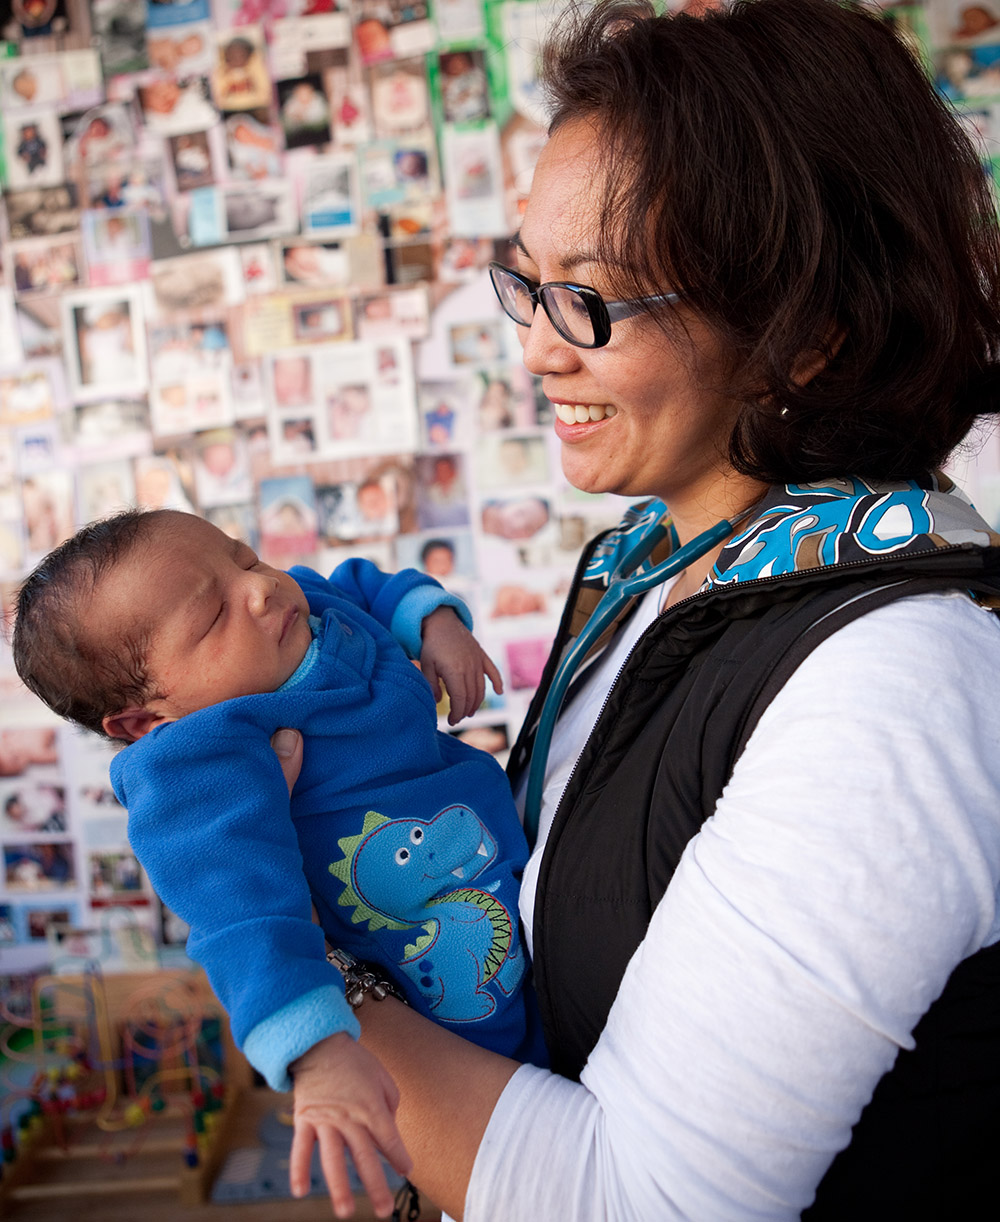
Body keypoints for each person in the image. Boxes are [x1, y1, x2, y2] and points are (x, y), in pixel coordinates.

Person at [266, 2, 1000, 1218]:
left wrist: (278, 952)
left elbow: (633, 1200)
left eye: (591, 301)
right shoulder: (652, 572)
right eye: (530, 282)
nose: (538, 353)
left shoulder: (899, 686)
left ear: (806, 332)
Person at [12, 508, 542, 1217]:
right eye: (211, 617)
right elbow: (244, 922)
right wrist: (317, 1057)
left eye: (244, 558)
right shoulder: (198, 762)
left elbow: (366, 581)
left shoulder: (305, 609)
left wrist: (436, 624)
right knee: (518, 1131)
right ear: (145, 720)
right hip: (438, 990)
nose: (261, 590)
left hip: (512, 873)